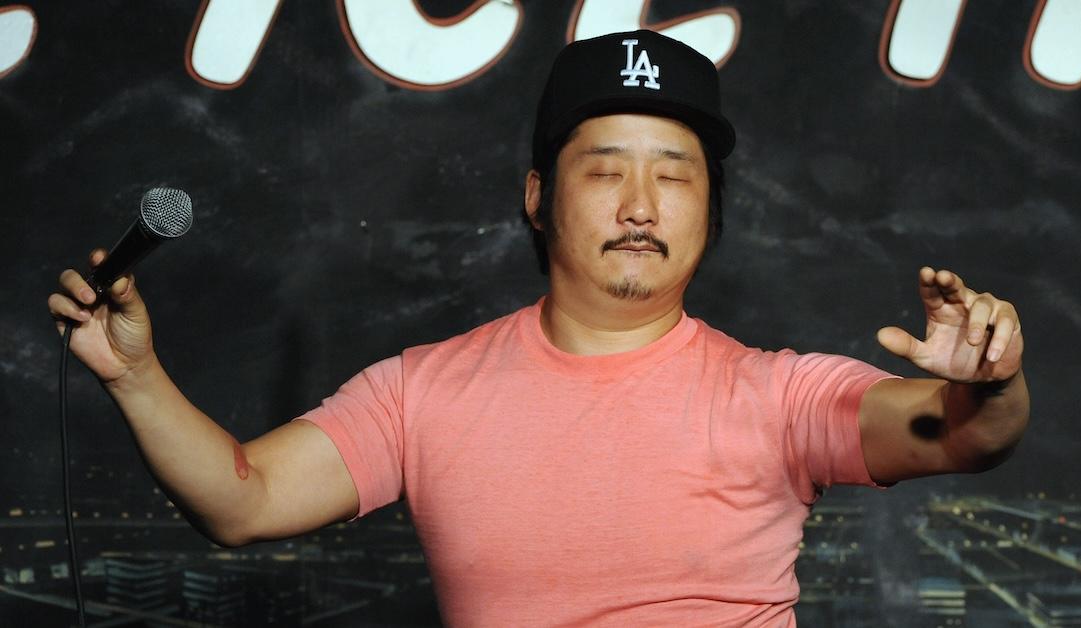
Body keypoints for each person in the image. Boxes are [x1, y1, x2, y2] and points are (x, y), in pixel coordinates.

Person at [49, 30, 1027, 627]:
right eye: (605, 169)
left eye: (675, 174)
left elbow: (965, 433)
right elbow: (244, 501)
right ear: (536, 196)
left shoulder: (777, 394)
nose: (642, 203)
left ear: (709, 210)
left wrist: (986, 380)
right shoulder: (421, 390)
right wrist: (135, 375)